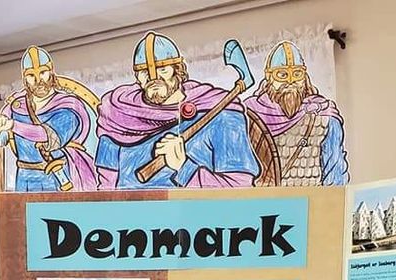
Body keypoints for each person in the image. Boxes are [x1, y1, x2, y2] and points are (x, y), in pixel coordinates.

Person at [96, 32, 260, 189]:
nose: (154, 78)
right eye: (145, 72)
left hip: (195, 216)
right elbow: (105, 190)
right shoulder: (117, 116)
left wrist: (183, 166)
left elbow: (239, 192)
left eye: (162, 69)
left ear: (178, 70)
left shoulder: (223, 116)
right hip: (130, 215)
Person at [0, 46, 98, 192]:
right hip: (23, 179)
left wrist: (12, 125)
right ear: (25, 78)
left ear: (51, 72)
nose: (38, 80)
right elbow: (2, 131)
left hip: (57, 179)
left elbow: (48, 135)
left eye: (43, 73)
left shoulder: (69, 106)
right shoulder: (16, 104)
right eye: (31, 75)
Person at [245, 41, 349, 186]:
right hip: (263, 206)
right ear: (269, 77)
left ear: (304, 76)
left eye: (297, 74)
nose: (290, 81)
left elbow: (335, 175)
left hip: (312, 204)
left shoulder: (325, 117)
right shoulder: (249, 117)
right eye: (282, 75)